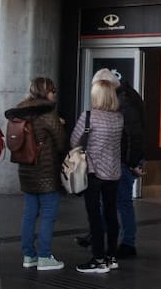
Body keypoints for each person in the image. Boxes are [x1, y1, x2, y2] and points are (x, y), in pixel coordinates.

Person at [71, 77, 126, 273]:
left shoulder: (89, 116)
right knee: (111, 214)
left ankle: (98, 258)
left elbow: (74, 141)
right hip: (113, 172)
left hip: (93, 172)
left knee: (94, 216)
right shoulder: (119, 118)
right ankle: (111, 257)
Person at [11, 77, 66, 271]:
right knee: (48, 214)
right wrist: (60, 124)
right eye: (52, 91)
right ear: (45, 92)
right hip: (46, 172)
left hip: (26, 170)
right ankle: (44, 256)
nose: (54, 94)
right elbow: (61, 143)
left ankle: (29, 255)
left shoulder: (20, 112)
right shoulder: (48, 113)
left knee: (29, 214)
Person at [92, 67, 146, 257]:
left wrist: (132, 163)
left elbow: (134, 136)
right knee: (116, 202)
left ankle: (127, 243)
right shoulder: (126, 97)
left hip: (124, 160)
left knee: (122, 202)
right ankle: (106, 237)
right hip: (122, 159)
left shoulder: (124, 103)